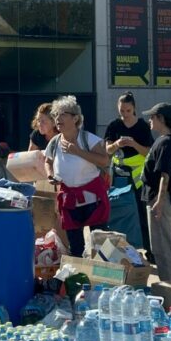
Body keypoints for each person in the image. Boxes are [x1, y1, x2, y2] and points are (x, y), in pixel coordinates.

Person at [43, 95, 110, 258]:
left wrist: (77, 151)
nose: (58, 119)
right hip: (69, 201)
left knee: (100, 247)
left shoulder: (89, 139)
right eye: (56, 115)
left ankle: (103, 278)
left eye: (63, 114)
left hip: (93, 200)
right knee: (76, 247)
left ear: (75, 118)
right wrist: (50, 174)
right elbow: (48, 161)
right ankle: (79, 279)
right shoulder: (54, 142)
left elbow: (104, 160)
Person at [104, 92, 154, 261]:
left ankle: (149, 250)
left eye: (128, 110)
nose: (124, 114)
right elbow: (107, 150)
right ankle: (121, 252)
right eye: (121, 111)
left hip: (139, 178)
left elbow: (148, 151)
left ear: (134, 109)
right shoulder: (114, 125)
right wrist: (117, 144)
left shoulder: (142, 126)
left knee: (142, 216)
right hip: (119, 176)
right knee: (119, 213)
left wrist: (133, 143)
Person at [141, 104, 171, 285]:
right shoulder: (166, 140)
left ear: (162, 119)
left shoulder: (166, 141)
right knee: (169, 241)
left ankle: (170, 286)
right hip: (162, 199)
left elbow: (164, 174)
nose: (150, 120)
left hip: (161, 200)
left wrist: (159, 200)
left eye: (152, 117)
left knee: (162, 247)